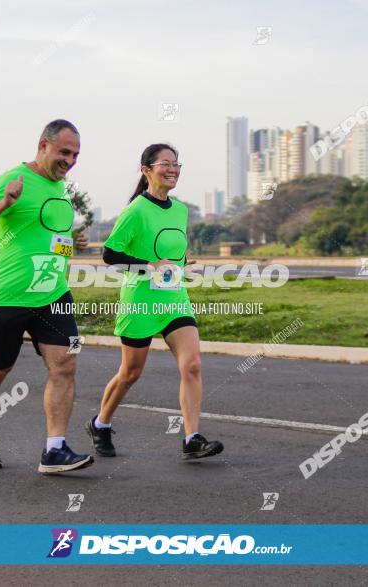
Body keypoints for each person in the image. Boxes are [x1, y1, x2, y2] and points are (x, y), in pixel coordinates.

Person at [0, 119, 94, 474]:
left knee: (66, 363)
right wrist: (4, 202)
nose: (70, 160)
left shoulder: (62, 188)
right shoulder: (14, 178)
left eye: (76, 154)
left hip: (53, 295)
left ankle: (55, 449)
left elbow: (51, 236)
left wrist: (73, 243)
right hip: (8, 295)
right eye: (64, 152)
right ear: (43, 145)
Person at [85, 143, 224, 460]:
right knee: (130, 373)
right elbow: (110, 254)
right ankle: (100, 424)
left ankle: (192, 438)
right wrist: (149, 267)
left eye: (177, 164)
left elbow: (175, 250)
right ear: (146, 170)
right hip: (141, 301)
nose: (173, 169)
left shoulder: (181, 210)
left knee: (192, 366)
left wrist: (187, 265)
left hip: (174, 299)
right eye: (165, 163)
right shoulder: (135, 210)